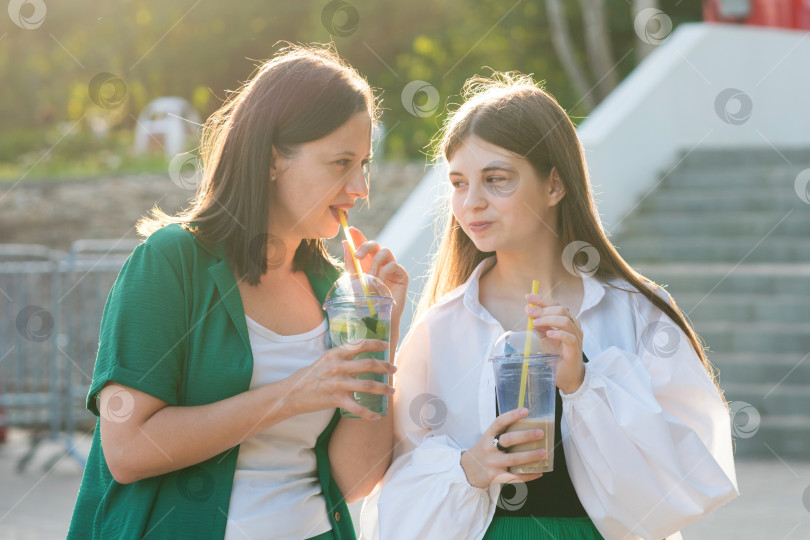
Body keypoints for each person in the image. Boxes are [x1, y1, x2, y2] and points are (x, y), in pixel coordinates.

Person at [359, 73, 739, 540]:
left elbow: (692, 473)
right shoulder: (440, 329)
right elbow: (395, 492)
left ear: (554, 184)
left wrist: (584, 380)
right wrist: (469, 467)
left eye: (496, 180)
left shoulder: (637, 312)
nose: (472, 203)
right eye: (459, 183)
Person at [68, 44, 408, 540]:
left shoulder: (334, 291)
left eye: (364, 164)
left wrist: (385, 327)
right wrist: (292, 394)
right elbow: (127, 450)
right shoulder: (171, 261)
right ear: (273, 160)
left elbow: (356, 479)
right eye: (340, 163)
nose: (360, 188)